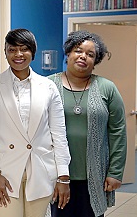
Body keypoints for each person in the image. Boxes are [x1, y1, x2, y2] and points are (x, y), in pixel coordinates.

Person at [0, 28, 71, 217]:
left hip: (41, 171)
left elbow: (59, 135)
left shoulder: (48, 87)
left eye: (24, 49)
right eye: (12, 49)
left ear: (33, 52)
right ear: (5, 53)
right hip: (4, 173)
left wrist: (63, 177)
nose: (18, 54)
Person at [48, 30, 127, 217]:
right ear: (68, 53)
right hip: (55, 175)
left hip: (94, 176)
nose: (83, 56)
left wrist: (115, 172)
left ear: (96, 61)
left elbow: (118, 131)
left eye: (90, 54)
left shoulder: (107, 88)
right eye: (78, 50)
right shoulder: (48, 86)